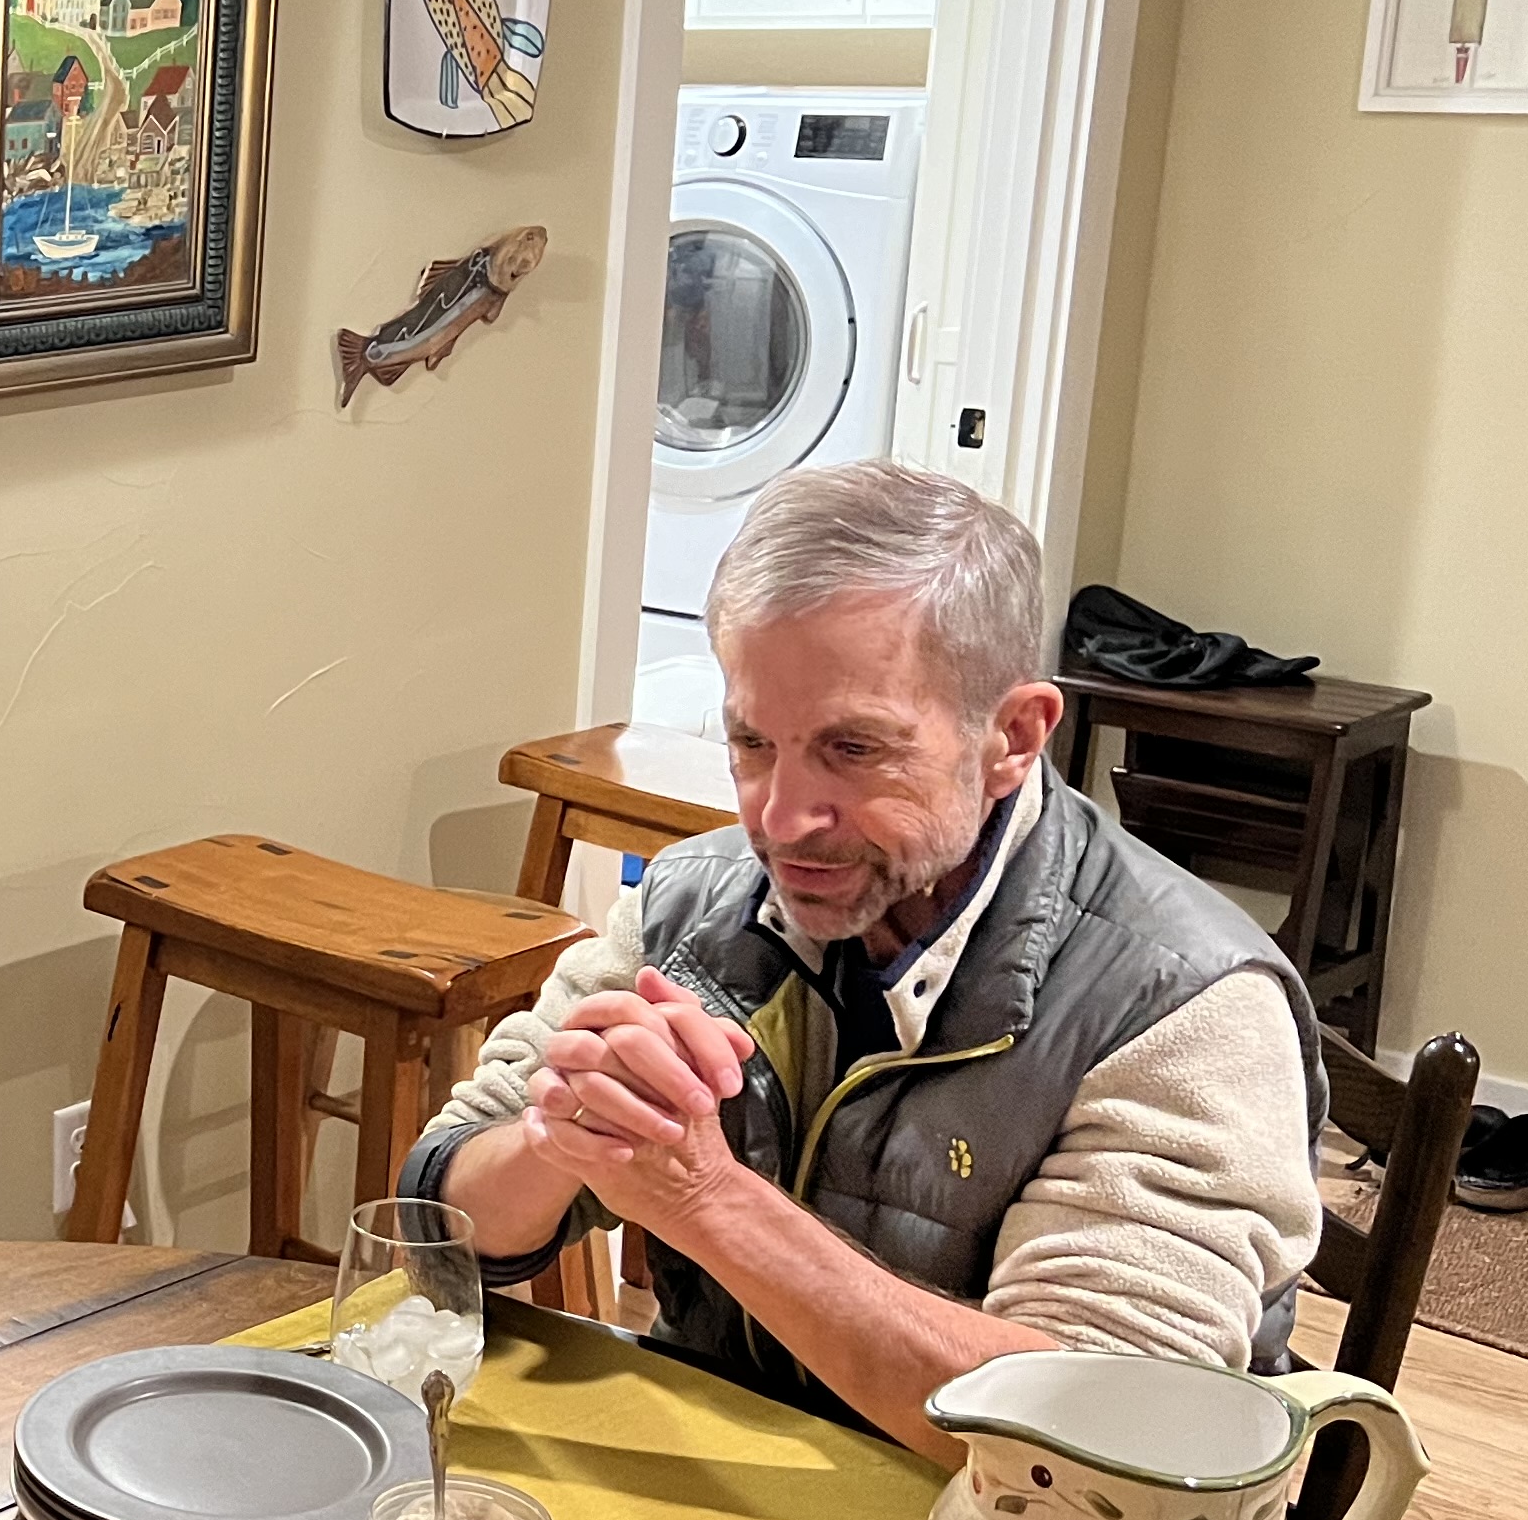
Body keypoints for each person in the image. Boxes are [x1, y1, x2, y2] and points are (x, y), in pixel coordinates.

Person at [408, 463, 1322, 1461]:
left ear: (1014, 736)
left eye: (853, 749)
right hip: (731, 1479)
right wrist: (563, 1135)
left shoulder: (1189, 1006)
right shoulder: (693, 900)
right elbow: (439, 1217)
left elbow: (1091, 1447)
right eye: (752, 742)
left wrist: (704, 1199)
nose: (780, 817)